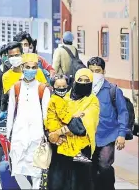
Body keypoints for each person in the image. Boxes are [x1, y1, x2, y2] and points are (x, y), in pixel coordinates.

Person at [45, 68, 100, 190]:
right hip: (60, 151)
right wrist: (50, 135)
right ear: (74, 81)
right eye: (80, 80)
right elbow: (50, 117)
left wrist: (58, 133)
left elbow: (80, 126)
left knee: (78, 185)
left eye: (87, 80)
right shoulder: (64, 97)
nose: (83, 83)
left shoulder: (92, 101)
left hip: (80, 153)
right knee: (57, 184)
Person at [5, 53, 51, 189]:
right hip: (19, 136)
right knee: (18, 171)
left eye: (34, 67)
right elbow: (11, 112)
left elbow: (46, 116)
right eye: (28, 67)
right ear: (22, 67)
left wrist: (46, 136)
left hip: (37, 137)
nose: (31, 70)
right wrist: (9, 135)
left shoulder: (43, 89)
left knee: (37, 172)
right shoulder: (16, 87)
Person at [87, 57, 128, 190]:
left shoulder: (113, 90)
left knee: (104, 165)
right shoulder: (83, 90)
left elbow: (123, 112)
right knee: (90, 168)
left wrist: (121, 134)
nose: (94, 74)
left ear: (104, 71)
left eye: (97, 70)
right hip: (87, 137)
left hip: (107, 136)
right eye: (91, 71)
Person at [0, 42, 48, 121]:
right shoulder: (6, 76)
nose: (14, 58)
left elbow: (45, 91)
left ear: (22, 54)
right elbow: (13, 95)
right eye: (11, 56)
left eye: (17, 55)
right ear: (8, 57)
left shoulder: (36, 71)